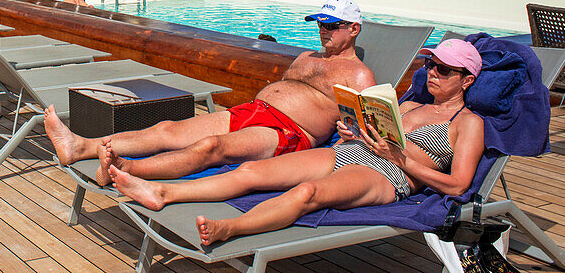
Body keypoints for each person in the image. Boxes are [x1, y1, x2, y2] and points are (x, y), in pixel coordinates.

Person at [109, 39, 485, 248]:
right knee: (250, 171)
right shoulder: (412, 103)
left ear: (466, 80)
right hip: (349, 151)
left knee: (307, 193)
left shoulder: (467, 124)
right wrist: (358, 133)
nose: (432, 73)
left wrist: (399, 159)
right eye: (431, 65)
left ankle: (231, 229)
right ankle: (162, 191)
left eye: (444, 70)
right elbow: (385, 136)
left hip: (387, 175)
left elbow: (458, 185)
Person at [45, 0, 375, 185]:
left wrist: (351, 132)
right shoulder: (307, 56)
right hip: (255, 112)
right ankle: (80, 146)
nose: (323, 31)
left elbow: (370, 131)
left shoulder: (358, 75)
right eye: (320, 23)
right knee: (167, 130)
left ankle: (124, 169)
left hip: (290, 132)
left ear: (354, 29)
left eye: (332, 26)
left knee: (211, 147)